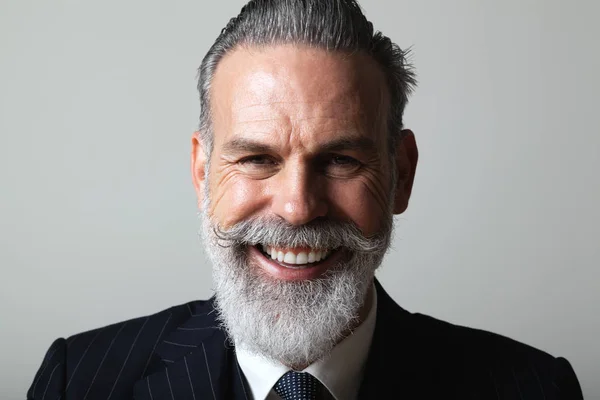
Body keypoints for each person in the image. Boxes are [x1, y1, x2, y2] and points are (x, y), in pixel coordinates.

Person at [27, 0, 584, 399]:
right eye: (256, 159)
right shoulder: (80, 380)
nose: (297, 207)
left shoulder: (533, 387)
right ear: (202, 173)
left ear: (401, 175)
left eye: (341, 161)